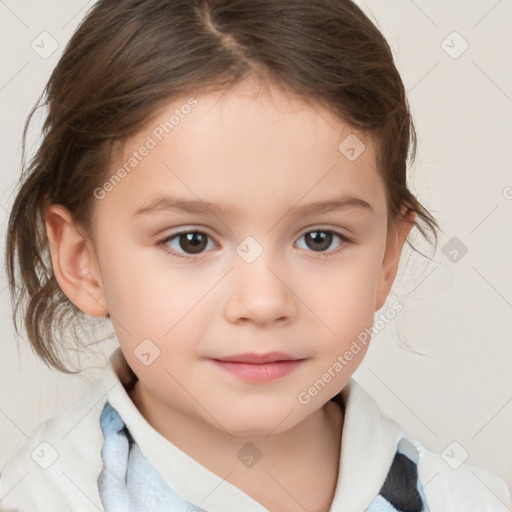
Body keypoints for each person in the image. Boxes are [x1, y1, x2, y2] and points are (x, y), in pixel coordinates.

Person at [0, 0, 509, 511]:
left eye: (319, 239)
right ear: (82, 260)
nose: (263, 302)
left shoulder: (467, 501)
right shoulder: (38, 498)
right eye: (191, 241)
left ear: (385, 260)